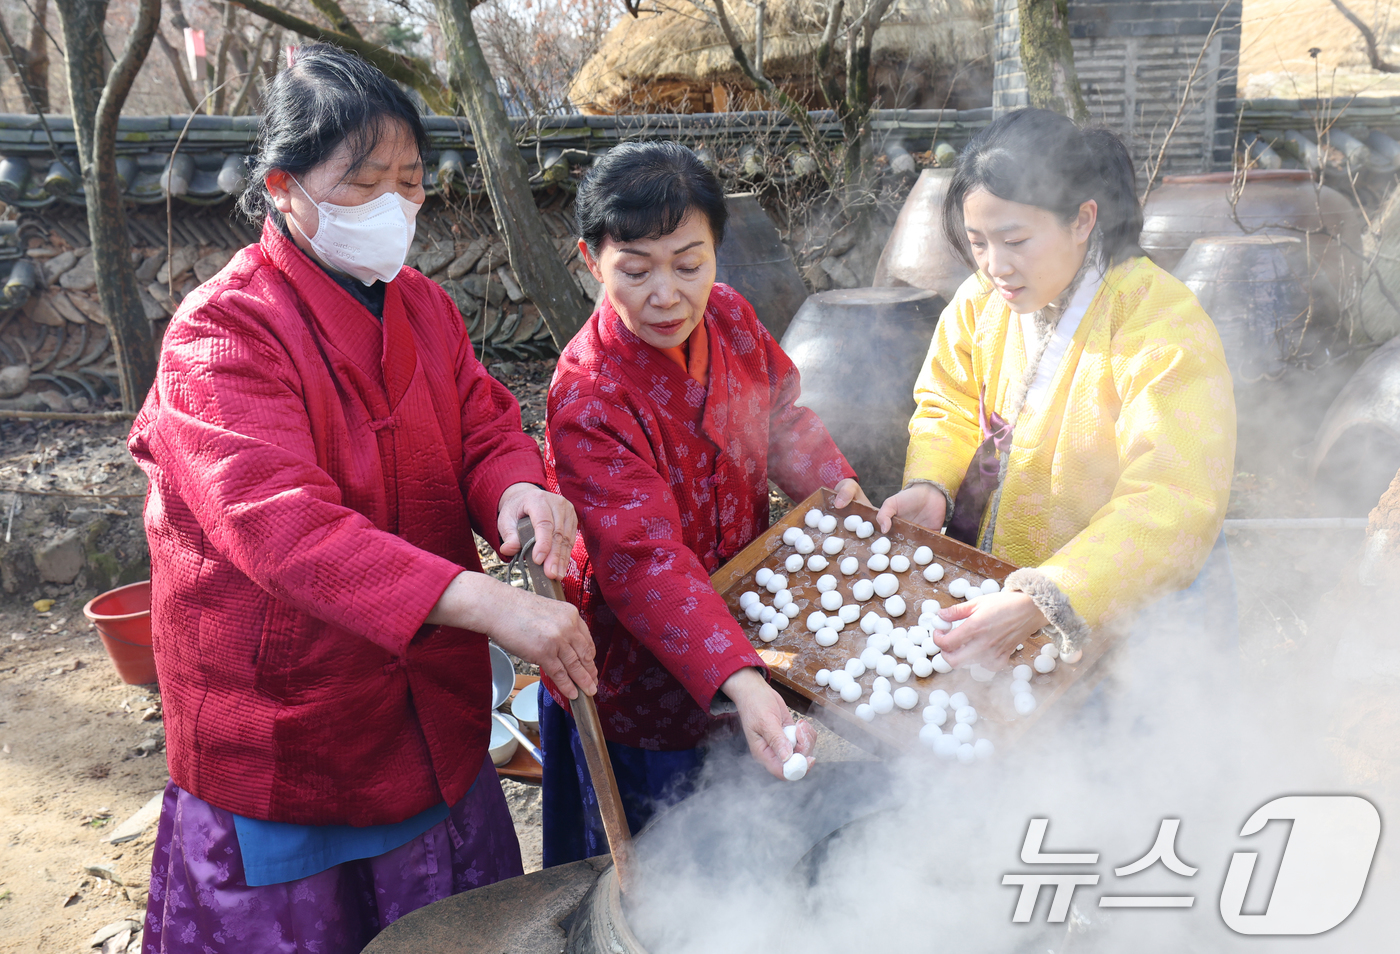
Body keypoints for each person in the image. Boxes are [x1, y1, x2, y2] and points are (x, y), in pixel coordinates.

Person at [127, 45, 596, 954]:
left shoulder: (421, 305)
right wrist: (491, 606)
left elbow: (486, 424)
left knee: (451, 928)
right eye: (362, 181)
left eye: (411, 181)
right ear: (284, 186)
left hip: (429, 712)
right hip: (292, 725)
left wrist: (519, 489)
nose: (394, 205)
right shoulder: (221, 334)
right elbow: (286, 532)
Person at [540, 141, 868, 866]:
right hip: (637, 671)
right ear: (591, 262)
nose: (666, 294)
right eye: (635, 269)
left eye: (689, 264)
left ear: (718, 253)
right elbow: (645, 563)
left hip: (745, 627)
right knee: (658, 871)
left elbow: (783, 415)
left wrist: (830, 483)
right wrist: (743, 680)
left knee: (755, 852)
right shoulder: (589, 397)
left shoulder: (729, 317)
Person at [876, 108, 1237, 670]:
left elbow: (1172, 497)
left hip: (1141, 617)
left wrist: (1049, 593)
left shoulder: (1160, 322)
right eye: (978, 242)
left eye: (1015, 239)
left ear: (1082, 219)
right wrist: (933, 484)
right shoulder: (979, 303)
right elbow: (948, 403)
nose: (997, 265)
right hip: (1014, 603)